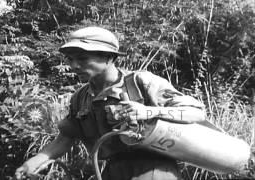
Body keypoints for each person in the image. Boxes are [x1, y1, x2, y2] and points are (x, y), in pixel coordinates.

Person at [15, 26, 206, 180]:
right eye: (70, 59)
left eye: (82, 58)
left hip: (154, 170)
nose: (74, 66)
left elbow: (196, 112)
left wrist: (147, 112)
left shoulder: (141, 83)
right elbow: (65, 138)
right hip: (112, 171)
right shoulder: (81, 97)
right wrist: (36, 160)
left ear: (109, 57)